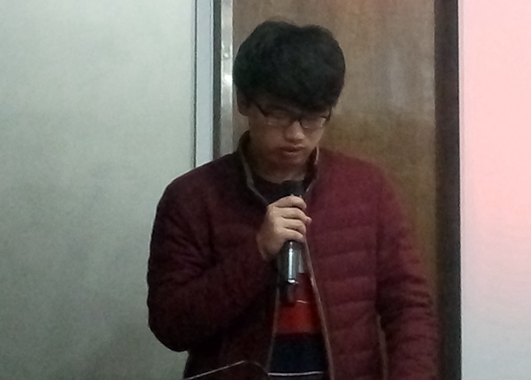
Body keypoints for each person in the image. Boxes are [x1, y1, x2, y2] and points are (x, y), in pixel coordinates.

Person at [147, 20, 438, 380]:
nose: (296, 134)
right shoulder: (192, 198)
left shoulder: (367, 189)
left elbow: (409, 307)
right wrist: (257, 252)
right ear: (243, 101)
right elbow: (171, 326)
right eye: (279, 114)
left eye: (313, 117)